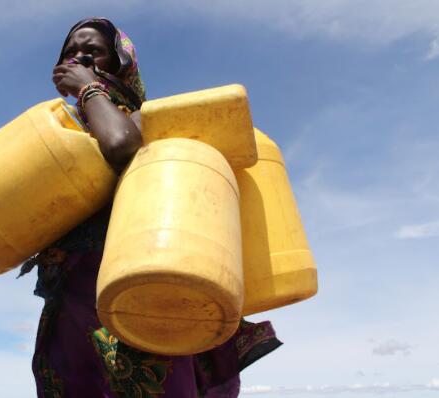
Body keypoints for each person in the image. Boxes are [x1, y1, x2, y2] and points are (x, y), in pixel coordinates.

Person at [19, 18, 282, 397]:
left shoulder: (147, 115)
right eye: (70, 52)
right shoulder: (65, 127)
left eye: (92, 50)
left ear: (120, 61)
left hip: (136, 277)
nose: (78, 57)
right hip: (73, 292)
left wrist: (89, 89)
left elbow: (121, 144)